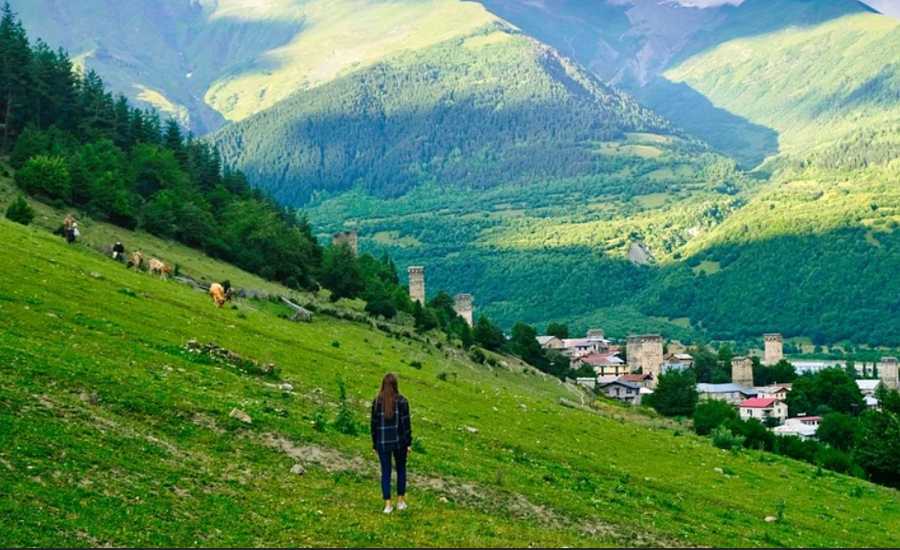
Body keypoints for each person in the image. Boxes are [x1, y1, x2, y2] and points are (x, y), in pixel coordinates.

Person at [371, 373, 412, 514]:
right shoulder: (402, 401)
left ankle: (387, 505)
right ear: (395, 384)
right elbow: (406, 424)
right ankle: (400, 502)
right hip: (399, 442)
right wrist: (408, 442)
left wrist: (375, 444)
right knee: (401, 470)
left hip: (382, 442)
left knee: (385, 473)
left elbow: (374, 425)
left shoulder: (377, 401)